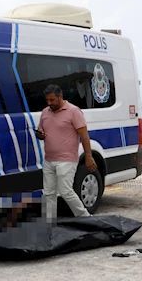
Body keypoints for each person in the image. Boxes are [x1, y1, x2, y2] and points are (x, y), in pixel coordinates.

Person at [36, 84, 96, 221]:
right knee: (49, 193)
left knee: (65, 191)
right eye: (47, 100)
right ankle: (49, 222)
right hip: (49, 159)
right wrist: (40, 134)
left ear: (60, 97)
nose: (49, 103)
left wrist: (88, 156)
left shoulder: (74, 111)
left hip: (67, 159)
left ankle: (85, 218)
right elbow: (41, 130)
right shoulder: (45, 112)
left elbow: (84, 136)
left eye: (52, 100)